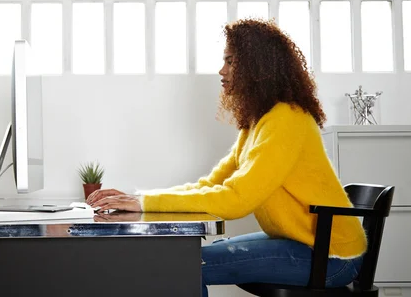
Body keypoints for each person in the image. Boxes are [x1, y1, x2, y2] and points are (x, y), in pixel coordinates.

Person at [86, 18, 366, 297]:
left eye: (231, 62)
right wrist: (141, 199)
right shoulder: (260, 122)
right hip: (302, 244)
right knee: (182, 260)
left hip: (330, 258)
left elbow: (236, 199)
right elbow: (212, 183)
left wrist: (143, 202)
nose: (222, 71)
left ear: (257, 68)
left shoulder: (287, 120)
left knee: (182, 265)